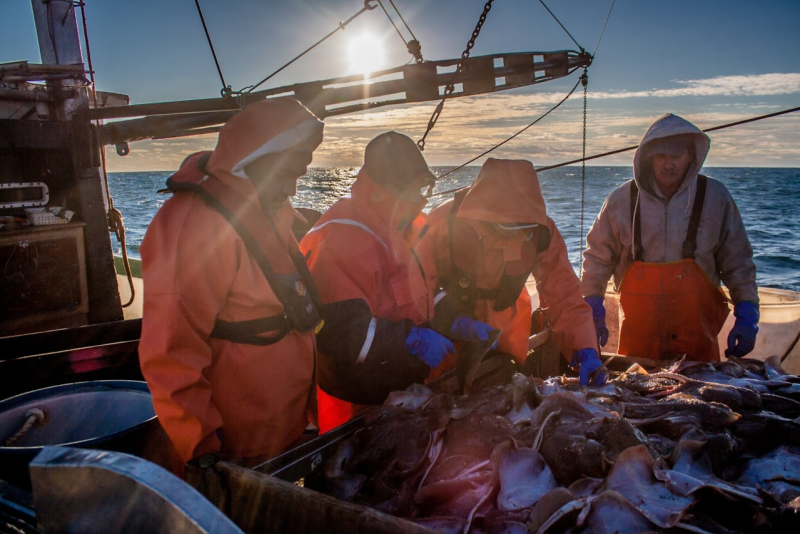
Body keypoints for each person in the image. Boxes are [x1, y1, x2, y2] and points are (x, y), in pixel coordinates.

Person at [138, 98, 325, 467]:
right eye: (284, 173)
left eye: (297, 175)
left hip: (282, 428)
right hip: (230, 448)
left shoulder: (271, 208)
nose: (291, 187)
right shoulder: (193, 224)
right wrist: (201, 448)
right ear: (253, 164)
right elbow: (170, 354)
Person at [300, 131, 492, 432]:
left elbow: (424, 291)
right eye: (416, 189)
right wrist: (412, 340)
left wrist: (456, 319)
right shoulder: (344, 235)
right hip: (355, 402)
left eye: (425, 187)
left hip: (400, 390)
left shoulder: (407, 225)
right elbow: (339, 333)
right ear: (387, 187)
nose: (423, 198)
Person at [581, 113, 759, 362]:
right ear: (647, 158)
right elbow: (596, 260)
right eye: (660, 156)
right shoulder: (620, 201)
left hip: (698, 345)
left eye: (676, 156)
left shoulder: (716, 197)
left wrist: (747, 310)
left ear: (691, 157)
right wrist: (592, 305)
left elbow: (738, 261)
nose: (668, 164)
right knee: (638, 396)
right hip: (638, 347)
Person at [427, 158, 603, 385]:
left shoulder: (542, 232)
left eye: (525, 227)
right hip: (445, 341)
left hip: (506, 339)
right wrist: (453, 320)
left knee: (506, 399)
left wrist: (586, 347)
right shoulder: (442, 223)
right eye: (510, 226)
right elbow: (413, 286)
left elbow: (564, 294)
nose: (520, 233)